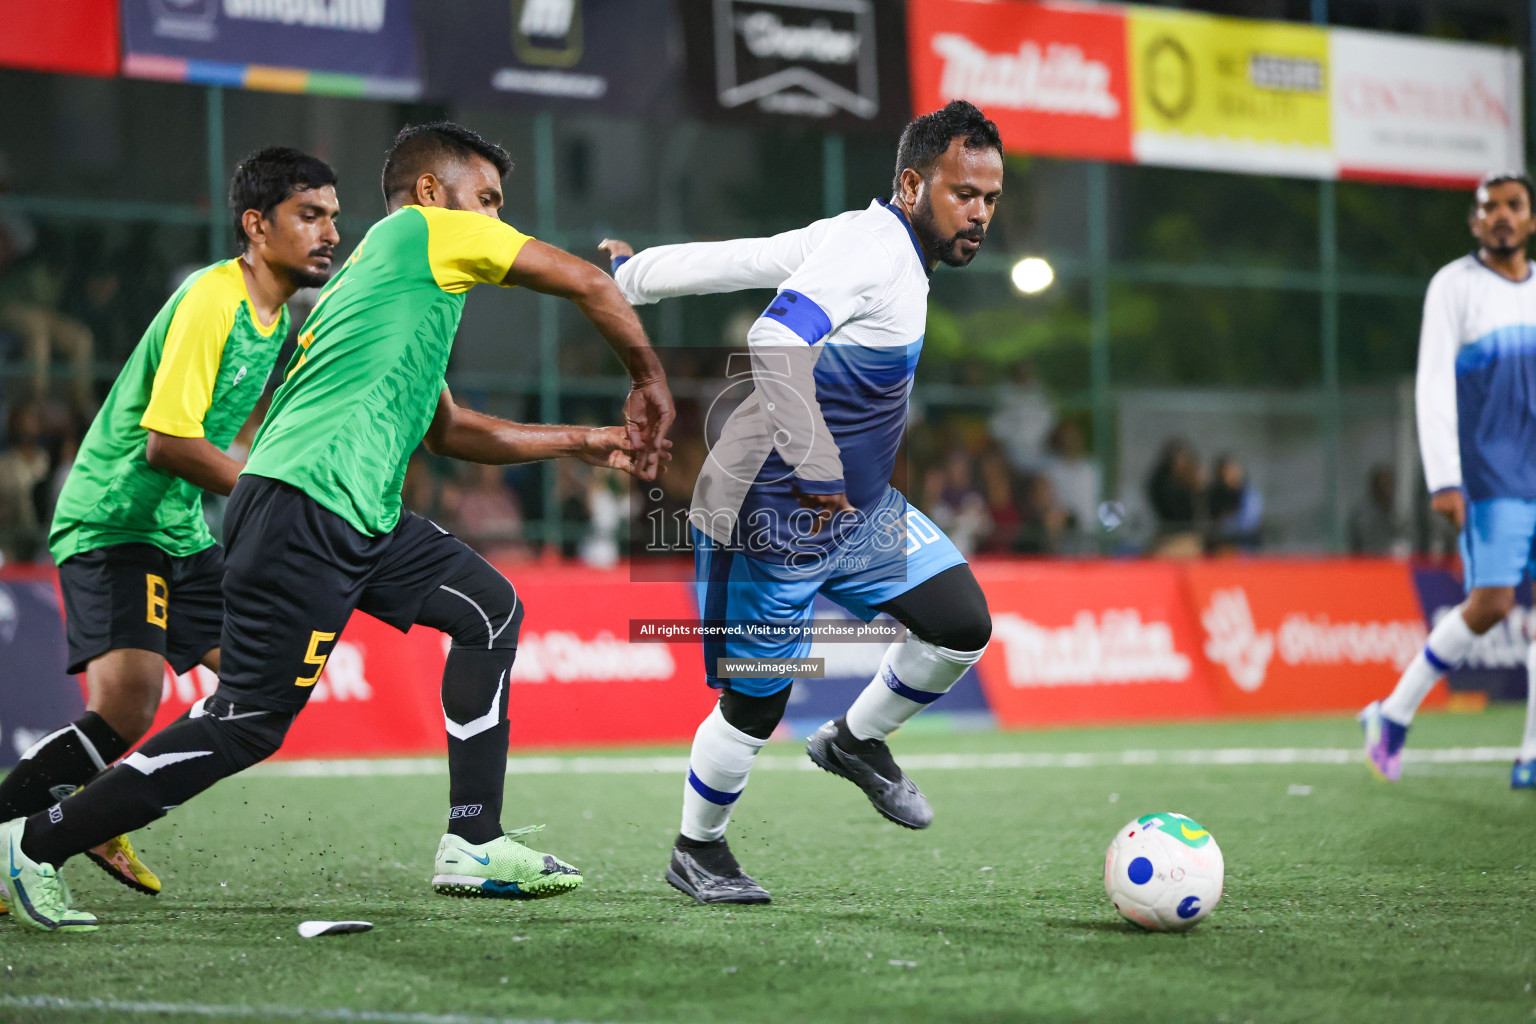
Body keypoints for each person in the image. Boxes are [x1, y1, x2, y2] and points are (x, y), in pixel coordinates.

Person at [1, 121, 674, 933]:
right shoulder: (419, 233)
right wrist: (649, 382)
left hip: (358, 514)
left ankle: (473, 841)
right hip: (303, 506)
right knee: (247, 723)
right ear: (432, 192)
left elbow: (454, 432)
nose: (498, 220)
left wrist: (591, 440)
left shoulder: (399, 290)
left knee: (489, 608)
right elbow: (589, 283)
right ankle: (33, 842)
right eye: (488, 201)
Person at [600, 100, 1000, 904]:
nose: (981, 214)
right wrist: (817, 466)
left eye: (992, 197)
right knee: (755, 704)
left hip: (856, 511)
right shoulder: (871, 251)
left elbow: (745, 257)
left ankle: (856, 741)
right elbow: (774, 339)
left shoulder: (870, 239)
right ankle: (696, 849)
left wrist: (632, 276)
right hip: (772, 510)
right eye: (965, 194)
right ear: (914, 183)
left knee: (960, 624)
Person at [0, 148, 341, 910]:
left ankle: (94, 812)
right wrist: (273, 493)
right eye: (310, 215)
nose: (329, 233)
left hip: (178, 531)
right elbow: (168, 442)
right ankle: (23, 842)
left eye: (333, 218)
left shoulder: (276, 314)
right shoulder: (211, 300)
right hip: (114, 517)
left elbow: (224, 435)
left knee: (267, 678)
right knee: (128, 701)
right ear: (257, 226)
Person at [1360, 172, 1536, 787]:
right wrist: (1445, 477)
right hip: (1492, 479)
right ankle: (1393, 714)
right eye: (1489, 208)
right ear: (1475, 222)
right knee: (1493, 604)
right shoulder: (1453, 286)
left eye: (1514, 205)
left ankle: (1531, 754)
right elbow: (1434, 385)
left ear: (1531, 218)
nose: (1502, 217)